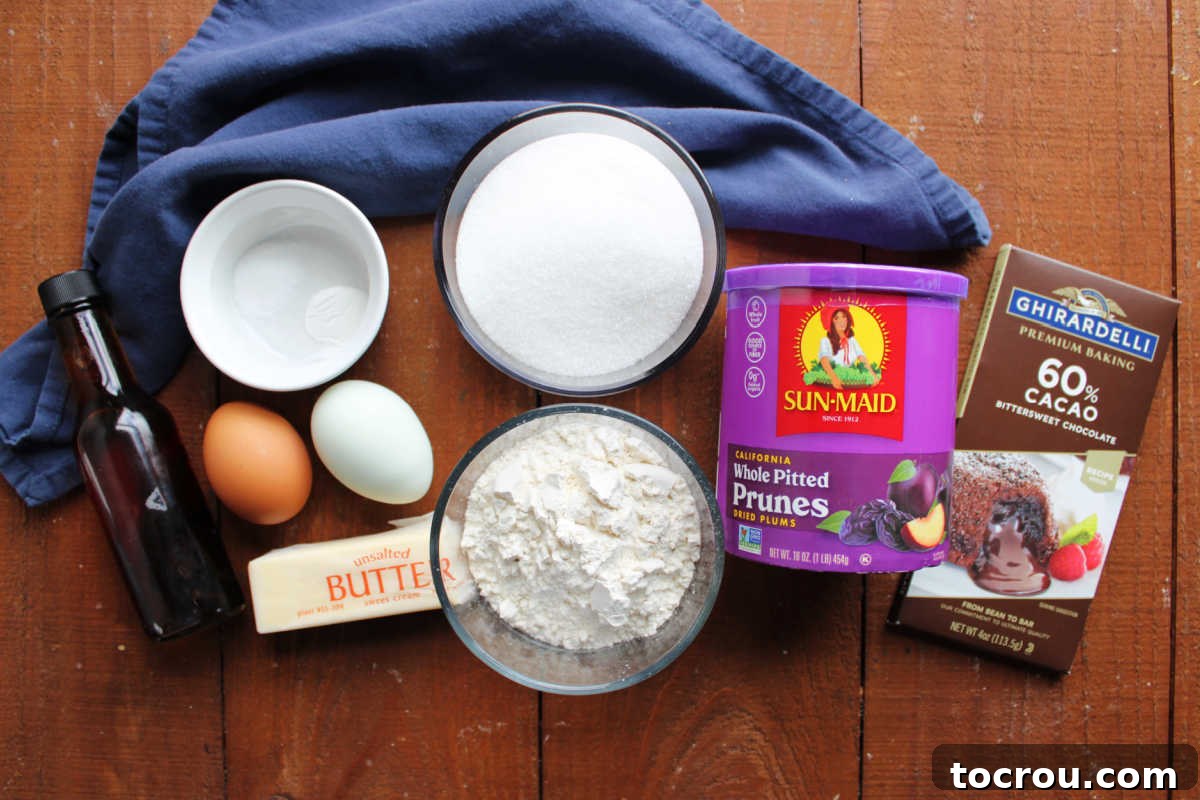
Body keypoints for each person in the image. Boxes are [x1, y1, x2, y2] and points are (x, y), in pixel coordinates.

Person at [818, 307, 879, 389]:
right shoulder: (825, 341)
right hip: (831, 382)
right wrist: (834, 378)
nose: (841, 321)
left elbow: (862, 357)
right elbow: (824, 360)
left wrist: (873, 374)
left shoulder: (852, 340)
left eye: (844, 316)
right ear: (830, 322)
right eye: (836, 318)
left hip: (849, 382)